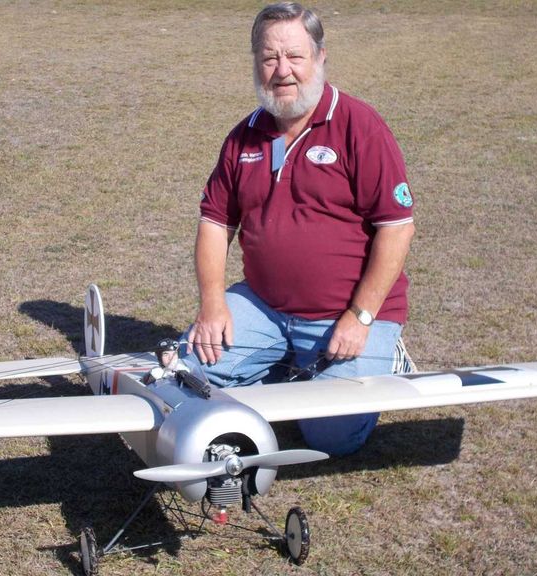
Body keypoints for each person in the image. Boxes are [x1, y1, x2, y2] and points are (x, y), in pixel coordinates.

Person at [186, 2, 416, 456]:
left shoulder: (360, 126)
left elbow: (397, 227)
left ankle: (385, 357)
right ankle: (295, 366)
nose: (282, 71)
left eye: (295, 56)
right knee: (188, 372)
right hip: (266, 307)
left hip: (349, 315)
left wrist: (361, 316)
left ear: (320, 57)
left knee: (328, 437)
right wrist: (213, 305)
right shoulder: (243, 136)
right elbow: (214, 222)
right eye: (270, 58)